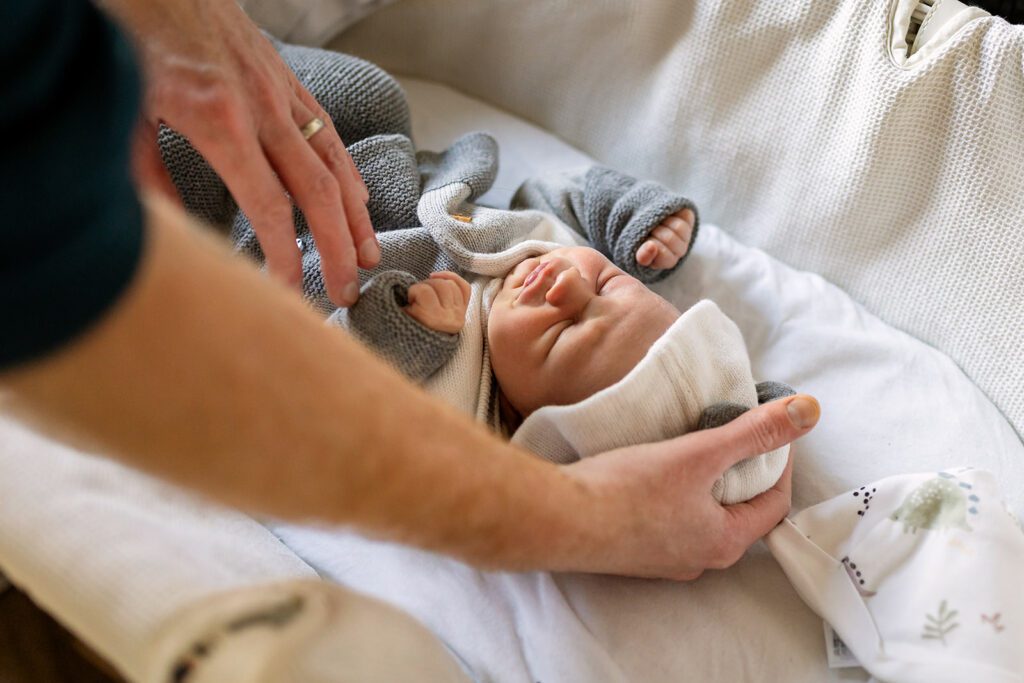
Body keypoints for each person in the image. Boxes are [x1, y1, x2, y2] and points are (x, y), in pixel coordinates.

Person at [0, 0, 819, 581]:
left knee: (171, 189)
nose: (563, 285)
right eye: (602, 284)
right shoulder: (545, 265)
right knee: (370, 94)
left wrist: (402, 326)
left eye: (567, 334)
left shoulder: (451, 393)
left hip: (253, 215)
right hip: (348, 130)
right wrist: (634, 224)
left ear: (530, 422)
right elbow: (559, 202)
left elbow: (319, 369)